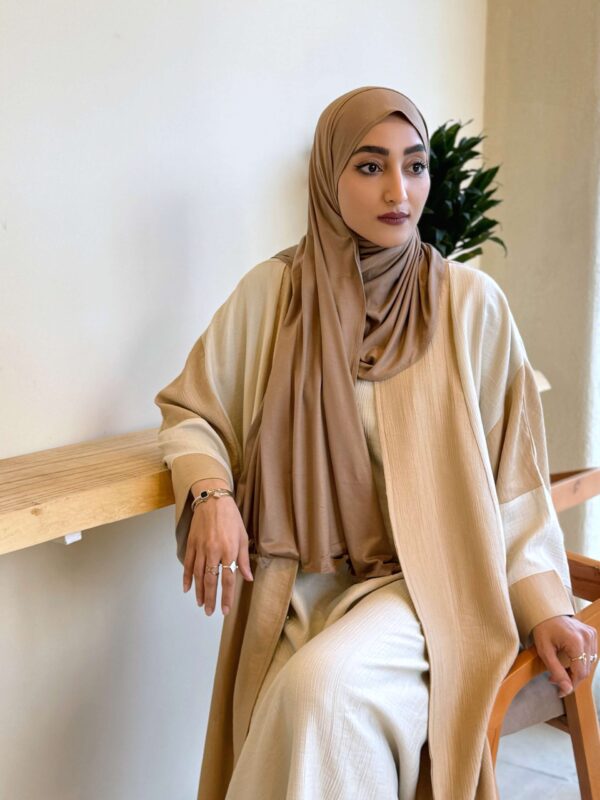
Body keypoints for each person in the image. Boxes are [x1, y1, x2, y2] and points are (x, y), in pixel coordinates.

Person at [154, 86, 597, 799]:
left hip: (434, 589)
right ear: (328, 178)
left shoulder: (469, 304)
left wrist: (545, 603)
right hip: (301, 586)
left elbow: (513, 481)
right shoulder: (275, 294)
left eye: (415, 166)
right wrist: (210, 493)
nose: (399, 190)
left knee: (320, 691)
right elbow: (193, 411)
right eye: (370, 167)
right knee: (293, 702)